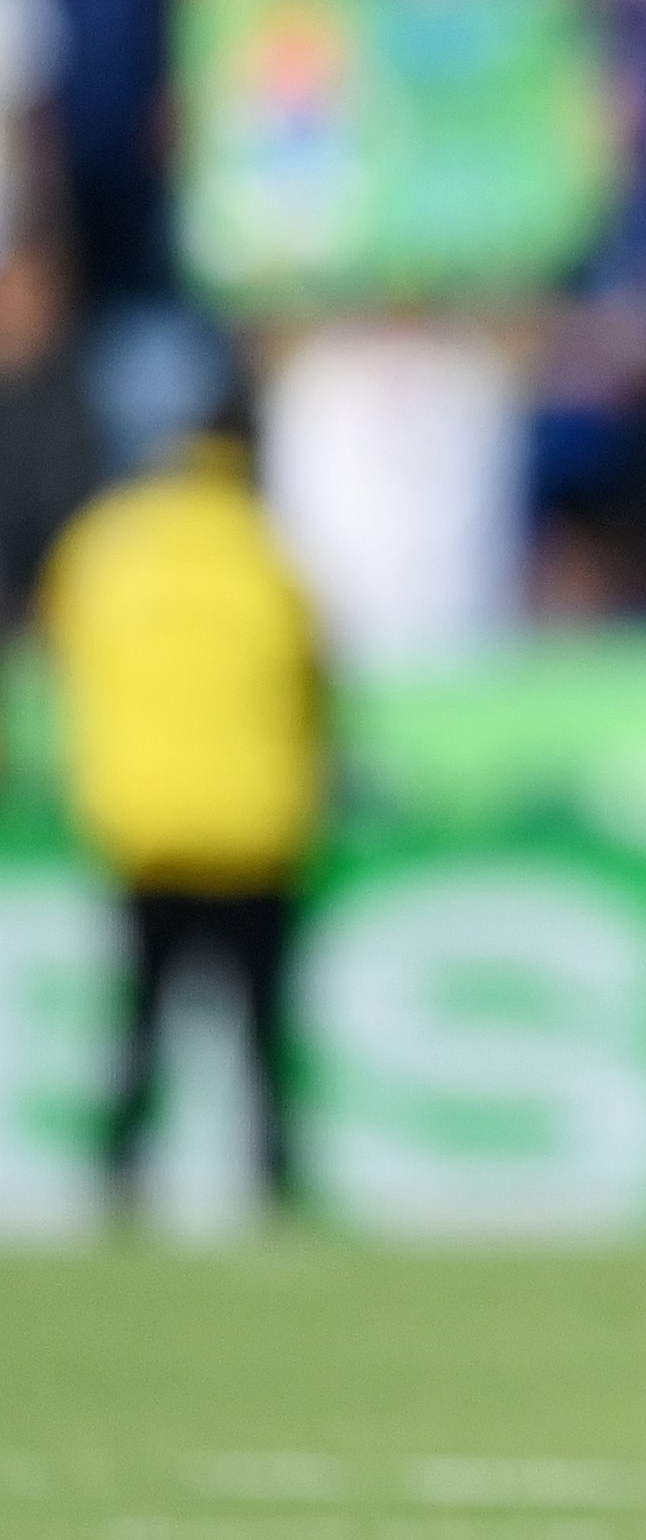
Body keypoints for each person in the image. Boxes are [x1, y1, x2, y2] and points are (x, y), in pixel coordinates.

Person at [48, 407, 328, 1225]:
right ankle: (273, 1177)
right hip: (257, 823)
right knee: (263, 1029)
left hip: (147, 821)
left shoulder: (104, 545)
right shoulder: (272, 550)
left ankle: (119, 1175)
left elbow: (64, 657)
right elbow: (316, 681)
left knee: (139, 1017)